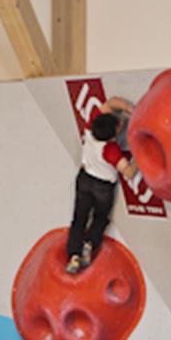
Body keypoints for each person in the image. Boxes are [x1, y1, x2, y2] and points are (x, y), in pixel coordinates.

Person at [65, 97, 137, 274]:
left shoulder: (90, 129)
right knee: (100, 218)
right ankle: (89, 243)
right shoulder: (111, 150)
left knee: (79, 219)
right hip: (102, 187)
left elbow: (111, 102)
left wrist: (126, 108)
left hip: (84, 179)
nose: (120, 123)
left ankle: (74, 256)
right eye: (118, 125)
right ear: (113, 135)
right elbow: (128, 172)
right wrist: (140, 155)